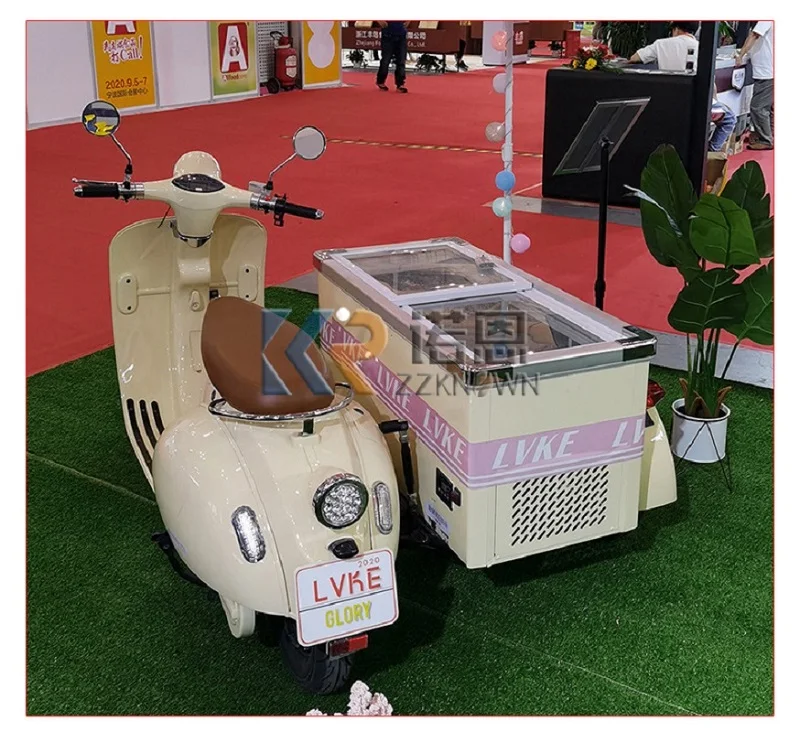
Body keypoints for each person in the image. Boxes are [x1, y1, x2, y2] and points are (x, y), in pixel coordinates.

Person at [736, 21, 773, 150]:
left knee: (758, 107)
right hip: (766, 71)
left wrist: (741, 54)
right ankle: (762, 135)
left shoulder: (765, 20)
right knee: (764, 107)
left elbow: (753, 36)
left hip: (766, 72)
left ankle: (765, 139)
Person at [628, 21, 699, 71]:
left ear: (676, 29)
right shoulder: (699, 47)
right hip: (692, 87)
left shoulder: (661, 44)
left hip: (665, 86)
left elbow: (635, 58)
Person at [376, 21, 409, 93]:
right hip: (388, 34)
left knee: (401, 60)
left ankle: (400, 84)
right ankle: (380, 81)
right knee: (386, 60)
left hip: (401, 34)